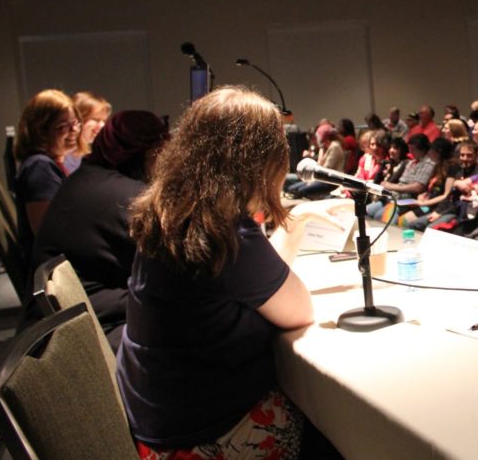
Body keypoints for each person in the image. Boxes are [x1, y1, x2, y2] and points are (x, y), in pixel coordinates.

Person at [118, 87, 328, 457]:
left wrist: (295, 221)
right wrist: (293, 226)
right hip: (205, 435)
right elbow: (299, 310)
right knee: (335, 429)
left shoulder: (170, 212)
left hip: (159, 420)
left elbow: (261, 286)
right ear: (260, 162)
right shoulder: (224, 230)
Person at [31, 110, 168, 350]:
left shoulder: (87, 178)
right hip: (93, 336)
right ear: (153, 152)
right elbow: (179, 264)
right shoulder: (126, 197)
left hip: (66, 325)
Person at [14, 89, 79, 271]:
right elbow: (48, 237)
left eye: (74, 123)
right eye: (63, 127)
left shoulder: (48, 163)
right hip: (54, 273)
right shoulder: (39, 168)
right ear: (40, 132)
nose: (74, 131)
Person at [64, 91, 112, 173]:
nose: (102, 125)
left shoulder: (89, 159)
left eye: (104, 120)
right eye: (96, 119)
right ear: (78, 119)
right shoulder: (60, 158)